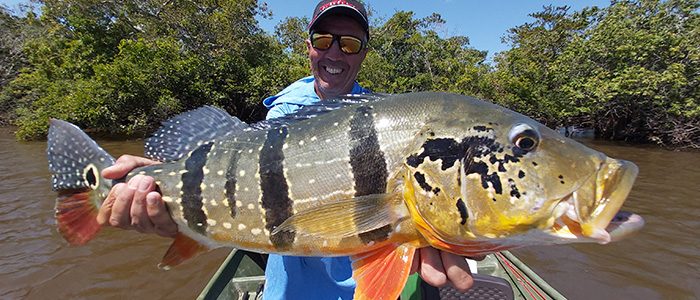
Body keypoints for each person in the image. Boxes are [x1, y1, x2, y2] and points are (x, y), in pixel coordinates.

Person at [97, 1, 475, 298]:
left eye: (350, 43)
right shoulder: (284, 111)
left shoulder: (381, 115)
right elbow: (236, 171)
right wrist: (157, 184)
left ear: (362, 53)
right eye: (324, 40)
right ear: (309, 46)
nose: (335, 53)